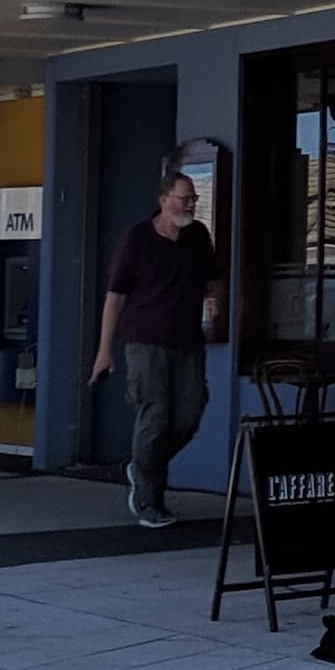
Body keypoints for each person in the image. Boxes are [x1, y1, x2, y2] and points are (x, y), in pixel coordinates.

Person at [91, 167, 221, 528]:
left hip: (188, 343)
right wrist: (105, 351)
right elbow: (115, 296)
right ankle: (149, 500)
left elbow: (211, 280)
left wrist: (214, 302)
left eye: (194, 198)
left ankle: (142, 466)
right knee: (156, 415)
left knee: (189, 415)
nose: (191, 204)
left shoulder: (198, 236)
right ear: (164, 201)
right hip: (145, 341)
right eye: (185, 198)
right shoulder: (137, 239)